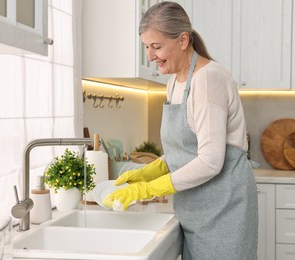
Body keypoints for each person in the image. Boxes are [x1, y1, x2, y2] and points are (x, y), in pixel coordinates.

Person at [104, 2, 258, 259]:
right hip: (193, 207)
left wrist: (147, 189)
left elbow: (210, 161)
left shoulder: (208, 79)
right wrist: (147, 173)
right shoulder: (173, 83)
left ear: (183, 40)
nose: (150, 56)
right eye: (146, 47)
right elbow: (185, 152)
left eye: (157, 46)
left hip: (224, 207)